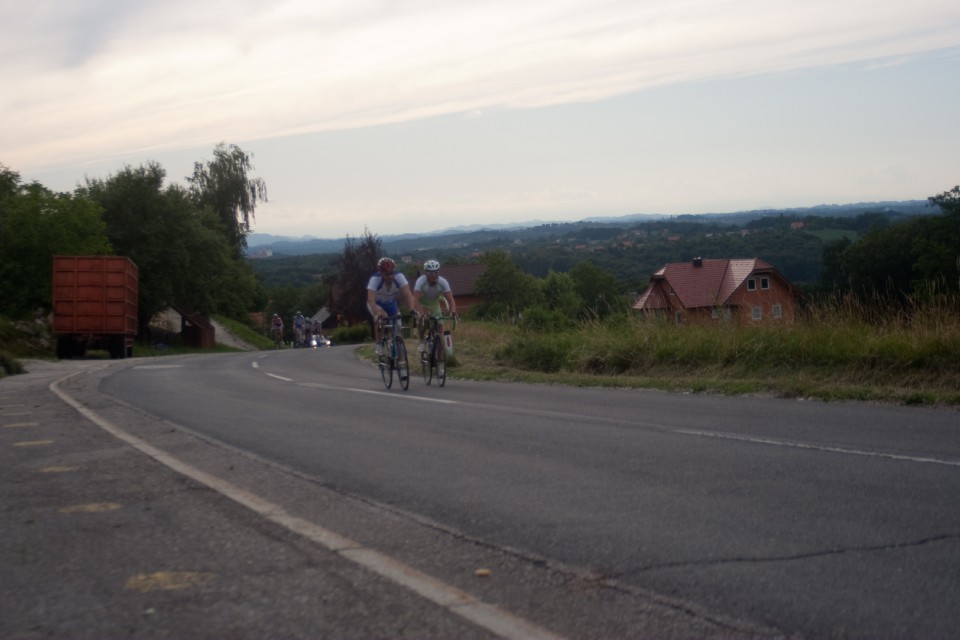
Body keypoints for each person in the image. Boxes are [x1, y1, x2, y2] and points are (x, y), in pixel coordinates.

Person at [366, 257, 416, 355]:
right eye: (386, 274)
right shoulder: (375, 279)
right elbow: (371, 300)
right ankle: (379, 344)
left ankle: (400, 358)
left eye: (391, 273)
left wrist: (412, 309)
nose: (390, 276)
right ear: (381, 273)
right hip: (376, 304)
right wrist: (378, 312)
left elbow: (408, 294)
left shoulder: (399, 277)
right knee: (382, 318)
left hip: (391, 303)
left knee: (398, 328)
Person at [413, 259, 458, 354]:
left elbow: (450, 300)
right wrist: (420, 312)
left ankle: (439, 354)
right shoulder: (421, 281)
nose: (434, 275)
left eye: (436, 273)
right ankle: (421, 341)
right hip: (422, 304)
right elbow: (415, 299)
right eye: (431, 273)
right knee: (424, 321)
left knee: (440, 329)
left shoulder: (443, 282)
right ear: (426, 273)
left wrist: (453, 312)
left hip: (434, 305)